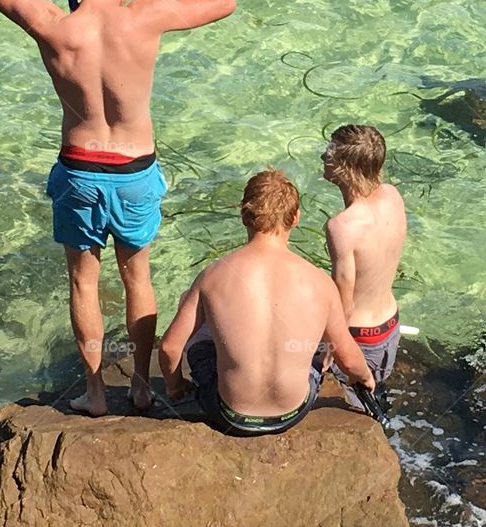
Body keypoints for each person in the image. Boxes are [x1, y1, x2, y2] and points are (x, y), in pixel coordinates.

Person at [0, 0, 235, 416]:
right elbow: (220, 1)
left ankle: (93, 393)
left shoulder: (53, 24)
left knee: (83, 283)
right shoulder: (147, 17)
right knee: (137, 279)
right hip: (134, 171)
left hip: (79, 171)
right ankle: (137, 385)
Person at [159, 170, 375, 436]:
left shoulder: (214, 276)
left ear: (243, 216)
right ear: (295, 218)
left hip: (230, 414)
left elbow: (170, 347)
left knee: (192, 310)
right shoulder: (319, 283)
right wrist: (365, 378)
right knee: (320, 346)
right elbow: (348, 359)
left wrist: (174, 387)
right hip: (292, 414)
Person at [321, 125, 407, 408]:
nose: (323, 155)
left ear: (346, 168)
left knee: (355, 403)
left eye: (329, 153)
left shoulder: (341, 228)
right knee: (372, 394)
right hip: (389, 326)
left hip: (359, 339)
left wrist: (332, 349)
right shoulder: (393, 196)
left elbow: (343, 304)